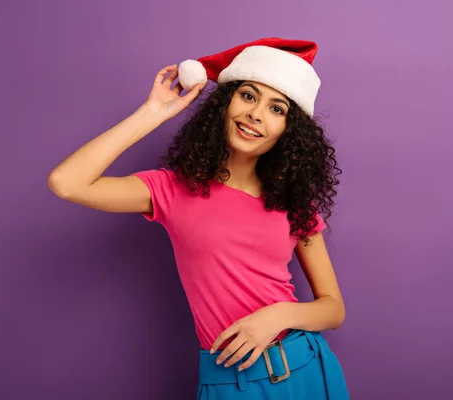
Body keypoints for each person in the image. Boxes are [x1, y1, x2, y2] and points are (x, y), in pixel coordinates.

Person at [48, 37, 350, 399]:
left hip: (305, 369)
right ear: (225, 103)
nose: (256, 114)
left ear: (289, 130)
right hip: (229, 379)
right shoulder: (171, 189)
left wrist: (278, 315)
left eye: (277, 109)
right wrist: (153, 113)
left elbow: (333, 308)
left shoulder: (294, 199)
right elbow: (66, 183)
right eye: (249, 96)